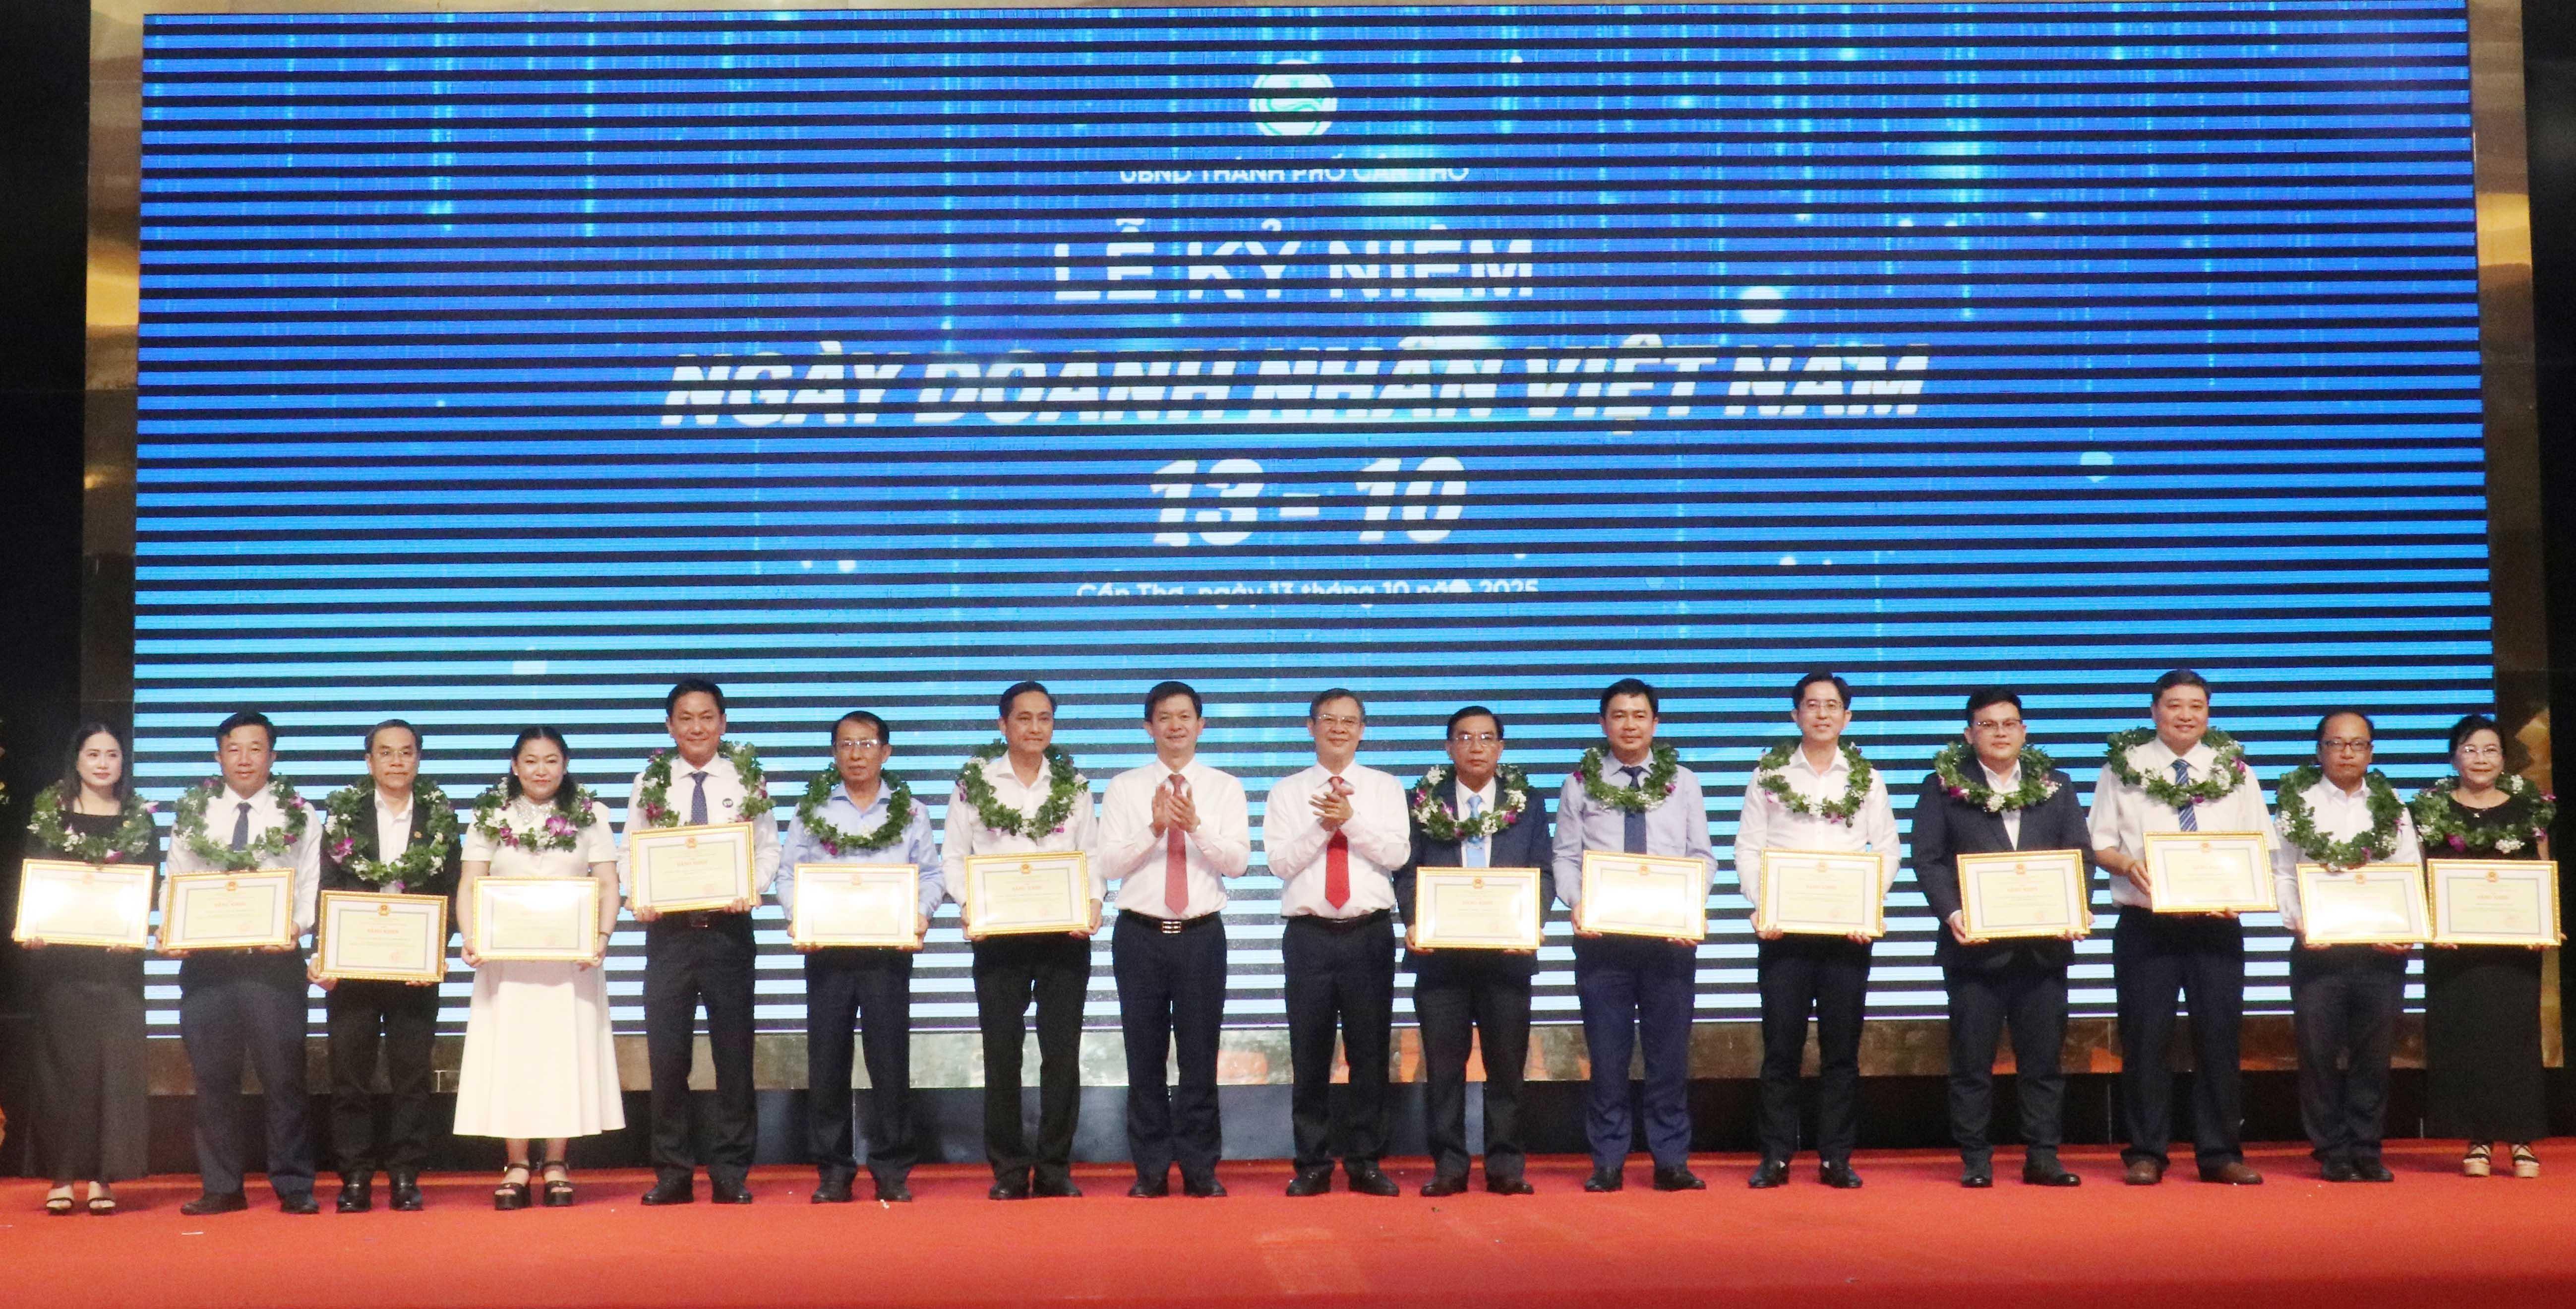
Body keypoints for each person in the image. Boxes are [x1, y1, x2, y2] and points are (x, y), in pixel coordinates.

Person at [2087, 669, 2275, 1185]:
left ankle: (2219, 1152)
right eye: (2174, 705)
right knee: (2145, 1039)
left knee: (2218, 1038)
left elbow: (2260, 843)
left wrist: (2241, 893)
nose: (2185, 715)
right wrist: (2128, 865)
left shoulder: (2235, 770)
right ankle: (2146, 1151)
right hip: (2146, 924)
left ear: (2208, 712)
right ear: (2154, 711)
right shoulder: (2121, 768)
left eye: (2196, 705)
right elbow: (2099, 843)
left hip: (2215, 926)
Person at [1907, 689, 2089, 1188]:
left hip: (2043, 948)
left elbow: (2079, 853)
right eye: (1988, 725)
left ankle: (2043, 1156)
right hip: (1973, 949)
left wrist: (2074, 906)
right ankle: (1975, 1159)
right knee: (1971, 1062)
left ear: (2024, 731)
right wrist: (1952, 912)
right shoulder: (1942, 786)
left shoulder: (2056, 785)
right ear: (1969, 734)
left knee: (2043, 1063)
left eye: (2009, 723)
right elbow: (1927, 858)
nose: (2000, 732)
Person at [1551, 678, 1716, 1194]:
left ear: (1655, 723)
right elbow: (1565, 856)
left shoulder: (1683, 782)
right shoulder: (1579, 782)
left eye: (1639, 715)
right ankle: (1607, 1161)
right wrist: (1577, 903)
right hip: (1602, 940)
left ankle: (1671, 1159)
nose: (1629, 724)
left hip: (1668, 942)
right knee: (1607, 1057)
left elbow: (1701, 855)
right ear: (1603, 723)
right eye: (1619, 715)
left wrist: (1688, 908)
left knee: (1668, 1056)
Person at [621, 677, 780, 1206]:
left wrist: (750, 887)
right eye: (685, 718)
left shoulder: (748, 779)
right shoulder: (650, 781)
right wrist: (638, 894)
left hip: (728, 934)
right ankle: (673, 1171)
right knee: (668, 1058)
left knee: (734, 1056)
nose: (696, 727)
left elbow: (769, 849)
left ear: (723, 723)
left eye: (707, 716)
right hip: (668, 935)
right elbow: (630, 850)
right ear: (670, 726)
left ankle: (731, 1170)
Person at [942, 680, 1103, 1200]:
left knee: (1062, 1053)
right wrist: (970, 905)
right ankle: (1009, 1170)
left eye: (1044, 718)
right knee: (1001, 1052)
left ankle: (1054, 1166)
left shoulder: (1073, 783)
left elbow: (1091, 852)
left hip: (1063, 934)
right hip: (999, 936)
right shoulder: (974, 783)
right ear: (1003, 724)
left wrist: (1092, 902)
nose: (1035, 727)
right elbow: (953, 856)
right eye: (1024, 718)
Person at [1736, 671, 1896, 1190]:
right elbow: (1748, 846)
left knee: (1841, 1052)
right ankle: (1775, 1155)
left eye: (1831, 706)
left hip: (1846, 936)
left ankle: (1836, 1157)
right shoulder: (1768, 774)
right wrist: (1763, 906)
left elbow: (1887, 849)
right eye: (1811, 705)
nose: (1822, 714)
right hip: (1783, 934)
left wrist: (1866, 906)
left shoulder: (1867, 778)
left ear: (1846, 716)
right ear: (1795, 714)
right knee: (1780, 1049)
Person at [454, 728, 624, 1209]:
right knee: (512, 1056)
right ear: (514, 765)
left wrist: (601, 937)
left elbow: (607, 883)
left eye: (551, 760)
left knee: (560, 1056)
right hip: (507, 963)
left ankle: (555, 1162)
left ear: (565, 765)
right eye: (531, 760)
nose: (541, 770)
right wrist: (471, 936)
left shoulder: (591, 813)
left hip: (570, 963)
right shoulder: (490, 813)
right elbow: (470, 882)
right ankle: (515, 1163)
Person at [163, 710, 324, 1216]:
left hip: (273, 964)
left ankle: (294, 1184)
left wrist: (296, 927)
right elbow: (176, 879)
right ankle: (222, 1185)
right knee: (213, 1080)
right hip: (208, 965)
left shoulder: (301, 813)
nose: (245, 758)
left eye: (256, 748)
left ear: (273, 756)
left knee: (284, 1078)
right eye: (234, 748)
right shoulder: (194, 812)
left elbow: (311, 882)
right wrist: (173, 929)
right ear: (219, 755)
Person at [778, 710, 940, 1204]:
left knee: (889, 1061)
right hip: (828, 951)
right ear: (834, 753)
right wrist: (798, 917)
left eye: (866, 744)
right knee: (827, 1061)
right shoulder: (811, 809)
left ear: (885, 752)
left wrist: (919, 916)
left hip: (887, 952)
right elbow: (788, 873)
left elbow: (931, 874)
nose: (856, 754)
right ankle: (833, 1169)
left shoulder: (912, 811)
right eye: (846, 744)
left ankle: (891, 1168)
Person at [1393, 705, 1552, 1196]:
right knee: (1444, 1069)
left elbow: (1543, 870)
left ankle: (1505, 1164)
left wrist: (1530, 920)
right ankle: (1448, 1165)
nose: (1475, 746)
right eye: (1464, 737)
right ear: (1449, 747)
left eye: (1485, 737)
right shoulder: (1421, 801)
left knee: (1506, 1066)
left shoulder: (1528, 802)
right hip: (1441, 957)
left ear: (1500, 747)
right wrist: (1414, 919)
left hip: (1506, 955)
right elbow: (1406, 870)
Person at [1100, 681, 1250, 1198]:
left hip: (1200, 935)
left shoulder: (1224, 787)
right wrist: (1154, 827)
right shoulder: (1124, 787)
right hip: (1139, 935)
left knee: (1199, 1054)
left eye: (1185, 716)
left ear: (1201, 725)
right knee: (1143, 1055)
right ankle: (1150, 1169)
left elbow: (1238, 862)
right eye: (1164, 717)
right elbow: (1107, 863)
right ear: (1149, 727)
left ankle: (1200, 1167)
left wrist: (1196, 827)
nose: (1175, 725)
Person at [1265, 688, 1410, 1197]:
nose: (1338, 728)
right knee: (1309, 1053)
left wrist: (1350, 820)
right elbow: (1279, 863)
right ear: (1310, 727)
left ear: (1362, 730)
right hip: (1309, 935)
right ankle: (1312, 1162)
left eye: (1349, 721)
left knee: (1369, 1052)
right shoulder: (1286, 792)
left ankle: (1365, 1160)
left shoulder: (1385, 787)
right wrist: (1320, 828)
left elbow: (1396, 854)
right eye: (1328, 719)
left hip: (1367, 932)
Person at [313, 719, 460, 1213]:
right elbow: (326, 885)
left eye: (406, 752)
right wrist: (325, 952)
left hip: (414, 967)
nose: (397, 761)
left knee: (411, 1076)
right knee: (349, 1076)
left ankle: (404, 1175)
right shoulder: (344, 815)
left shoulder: (439, 816)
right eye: (386, 752)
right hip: (353, 966)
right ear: (369, 760)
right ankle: (355, 1176)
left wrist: (435, 950)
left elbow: (452, 891)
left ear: (418, 758)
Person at [2271, 711, 2420, 1183]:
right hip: (2318, 948)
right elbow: (2281, 872)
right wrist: (2300, 923)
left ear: (2371, 752)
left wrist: (2405, 928)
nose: (2347, 753)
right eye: (2336, 744)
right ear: (2319, 751)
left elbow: (2408, 870)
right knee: (2317, 1055)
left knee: (2373, 1055)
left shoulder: (2391, 805)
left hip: (2379, 950)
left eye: (2357, 744)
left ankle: (2366, 1147)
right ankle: (2331, 1149)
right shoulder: (2296, 804)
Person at [19, 723, 159, 1216]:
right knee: (63, 1071)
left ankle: (103, 1176)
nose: (103, 763)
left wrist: (136, 927)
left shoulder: (140, 820)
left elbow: (150, 888)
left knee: (114, 1071)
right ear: (76, 760)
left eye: (112, 754)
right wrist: (31, 925)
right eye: (93, 753)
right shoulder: (49, 815)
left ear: (124, 762)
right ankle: (61, 1176)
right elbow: (31, 881)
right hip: (62, 965)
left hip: (118, 965)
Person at [2412, 713, 2555, 1178]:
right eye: (2470, 749)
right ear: (2453, 756)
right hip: (2453, 949)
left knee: (2514, 1039)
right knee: (2465, 1039)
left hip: (2512, 948)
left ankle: (2521, 1139)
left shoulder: (2527, 808)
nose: (2480, 758)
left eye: (2490, 749)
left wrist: (2543, 923)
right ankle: (2477, 1138)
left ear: (2503, 759)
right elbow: (2418, 873)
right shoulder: (2430, 809)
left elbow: (2541, 869)